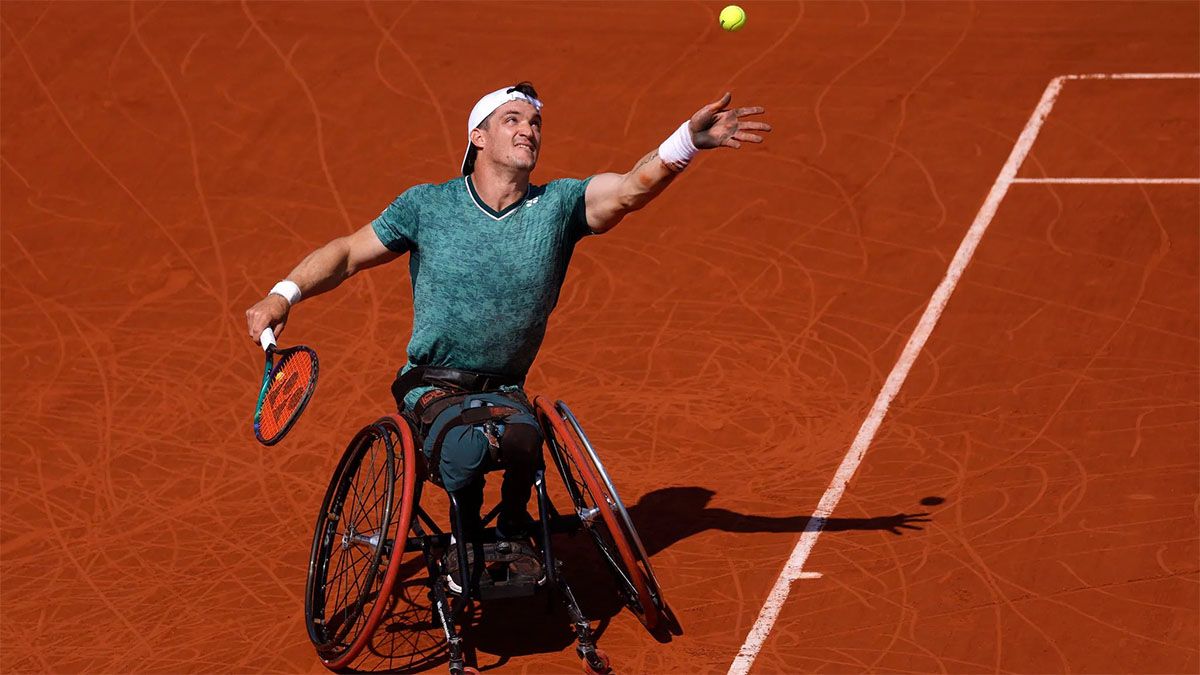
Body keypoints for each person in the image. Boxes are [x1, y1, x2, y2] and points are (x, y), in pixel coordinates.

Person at [244, 81, 770, 546]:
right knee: (466, 452)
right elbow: (347, 253)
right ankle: (467, 539)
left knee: (523, 439)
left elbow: (631, 189)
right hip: (432, 385)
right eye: (512, 120)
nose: (529, 130)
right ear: (478, 137)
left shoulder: (561, 206)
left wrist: (686, 142)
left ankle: (514, 528)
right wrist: (282, 294)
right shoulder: (427, 206)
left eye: (536, 123)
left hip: (503, 389)